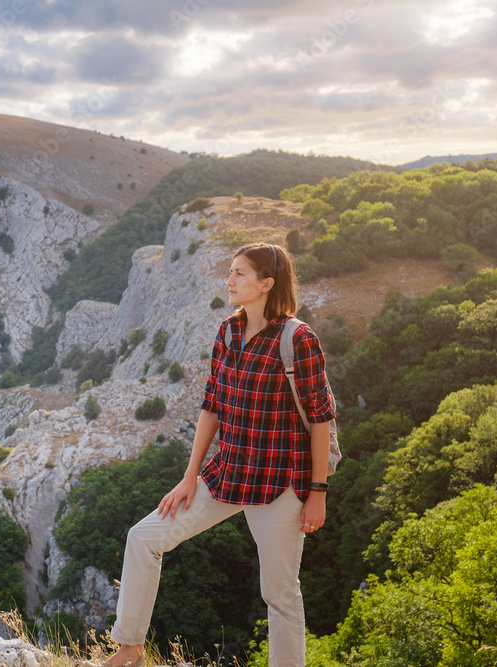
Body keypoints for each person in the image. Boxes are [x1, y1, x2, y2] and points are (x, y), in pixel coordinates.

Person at [103, 242, 335, 667]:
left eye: (240, 274)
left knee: (279, 593)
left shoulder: (298, 339)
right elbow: (212, 405)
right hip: (226, 474)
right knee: (144, 537)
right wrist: (190, 476)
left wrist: (317, 491)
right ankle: (131, 648)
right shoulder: (228, 330)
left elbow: (320, 419)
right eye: (230, 272)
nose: (229, 281)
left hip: (280, 482)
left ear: (267, 283)